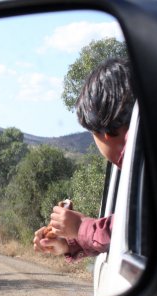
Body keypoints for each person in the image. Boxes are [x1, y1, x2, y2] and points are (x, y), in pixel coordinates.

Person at [33, 58, 136, 262]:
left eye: (92, 133)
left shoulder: (146, 168)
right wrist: (67, 243)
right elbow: (124, 231)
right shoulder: (142, 165)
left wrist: (80, 227)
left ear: (104, 132)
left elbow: (134, 226)